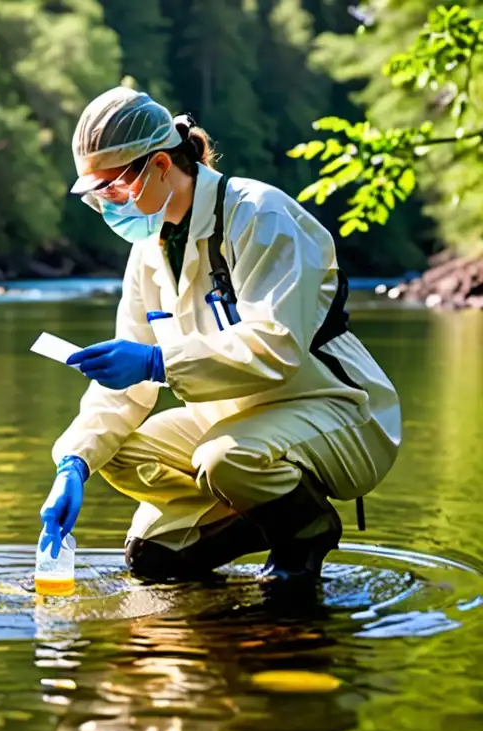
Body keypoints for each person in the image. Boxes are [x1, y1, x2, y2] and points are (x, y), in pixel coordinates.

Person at [39, 87, 401, 582]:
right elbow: (123, 392)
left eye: (114, 188)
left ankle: (306, 528)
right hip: (237, 422)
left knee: (224, 459)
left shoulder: (259, 215)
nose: (107, 205)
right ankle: (259, 511)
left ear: (162, 165)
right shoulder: (148, 250)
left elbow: (276, 347)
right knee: (149, 545)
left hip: (333, 406)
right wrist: (72, 465)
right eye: (96, 194)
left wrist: (155, 363)